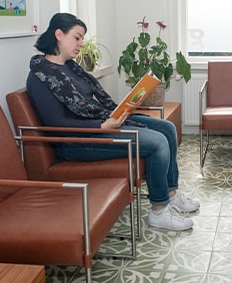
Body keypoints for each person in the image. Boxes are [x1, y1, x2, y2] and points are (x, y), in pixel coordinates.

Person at [27, 12, 199, 231]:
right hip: (77, 140)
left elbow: (91, 103)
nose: (81, 44)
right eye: (77, 37)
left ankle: (170, 193)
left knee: (167, 128)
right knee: (157, 143)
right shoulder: (41, 77)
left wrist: (119, 112)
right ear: (58, 34)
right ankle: (159, 211)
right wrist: (100, 126)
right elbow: (56, 123)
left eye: (82, 39)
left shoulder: (71, 68)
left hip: (100, 123)